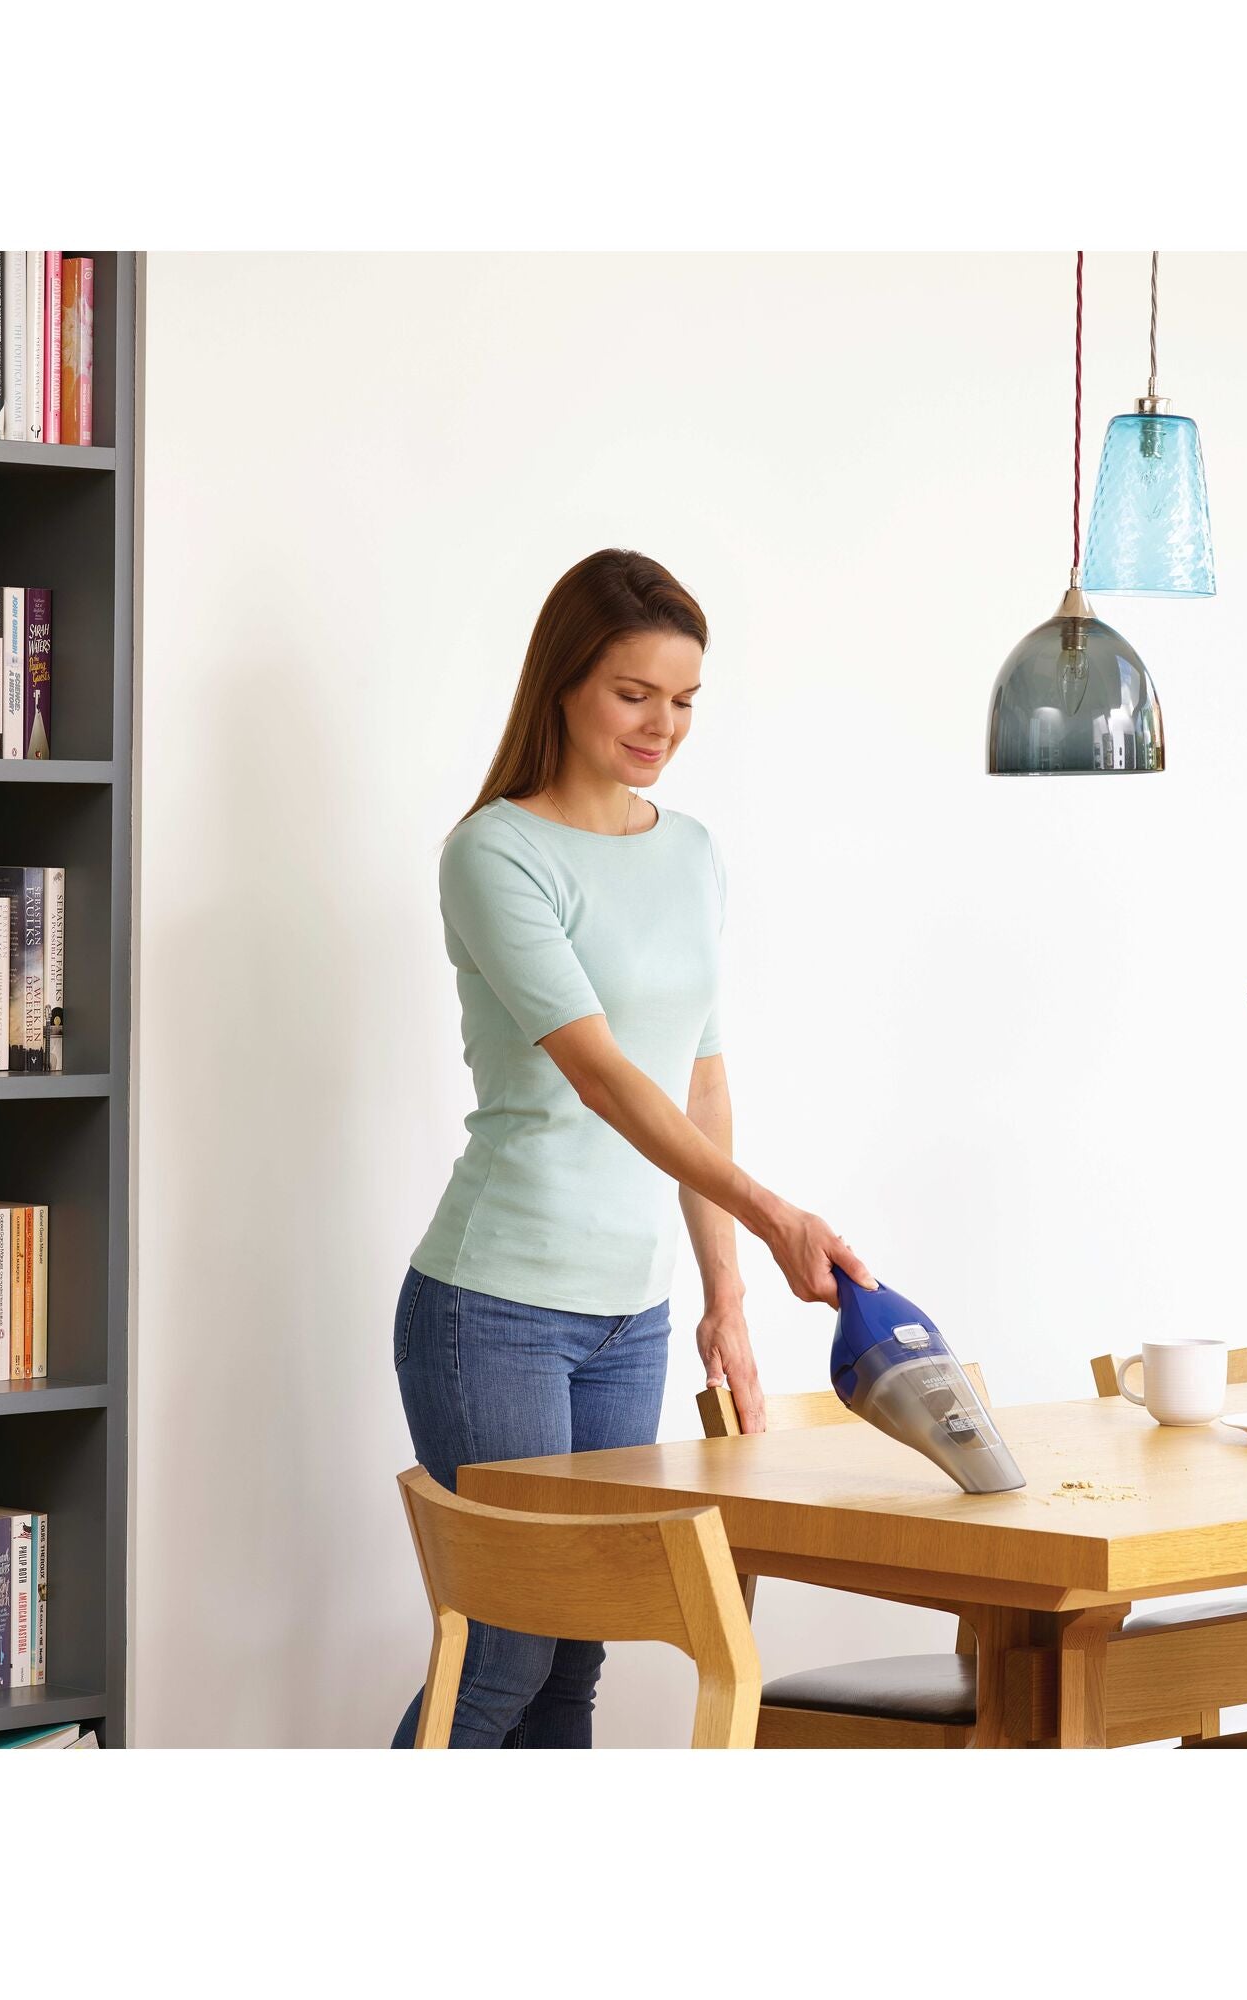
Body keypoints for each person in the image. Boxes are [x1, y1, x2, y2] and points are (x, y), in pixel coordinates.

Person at [391, 548, 870, 1747]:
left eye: (685, 698)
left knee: (575, 1658)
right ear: (562, 683)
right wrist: (773, 1214)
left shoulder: (690, 849)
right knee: (505, 1644)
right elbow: (604, 1076)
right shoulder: (495, 851)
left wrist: (725, 1289)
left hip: (628, 1312)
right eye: (632, 692)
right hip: (492, 1301)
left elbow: (697, 1078)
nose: (664, 724)